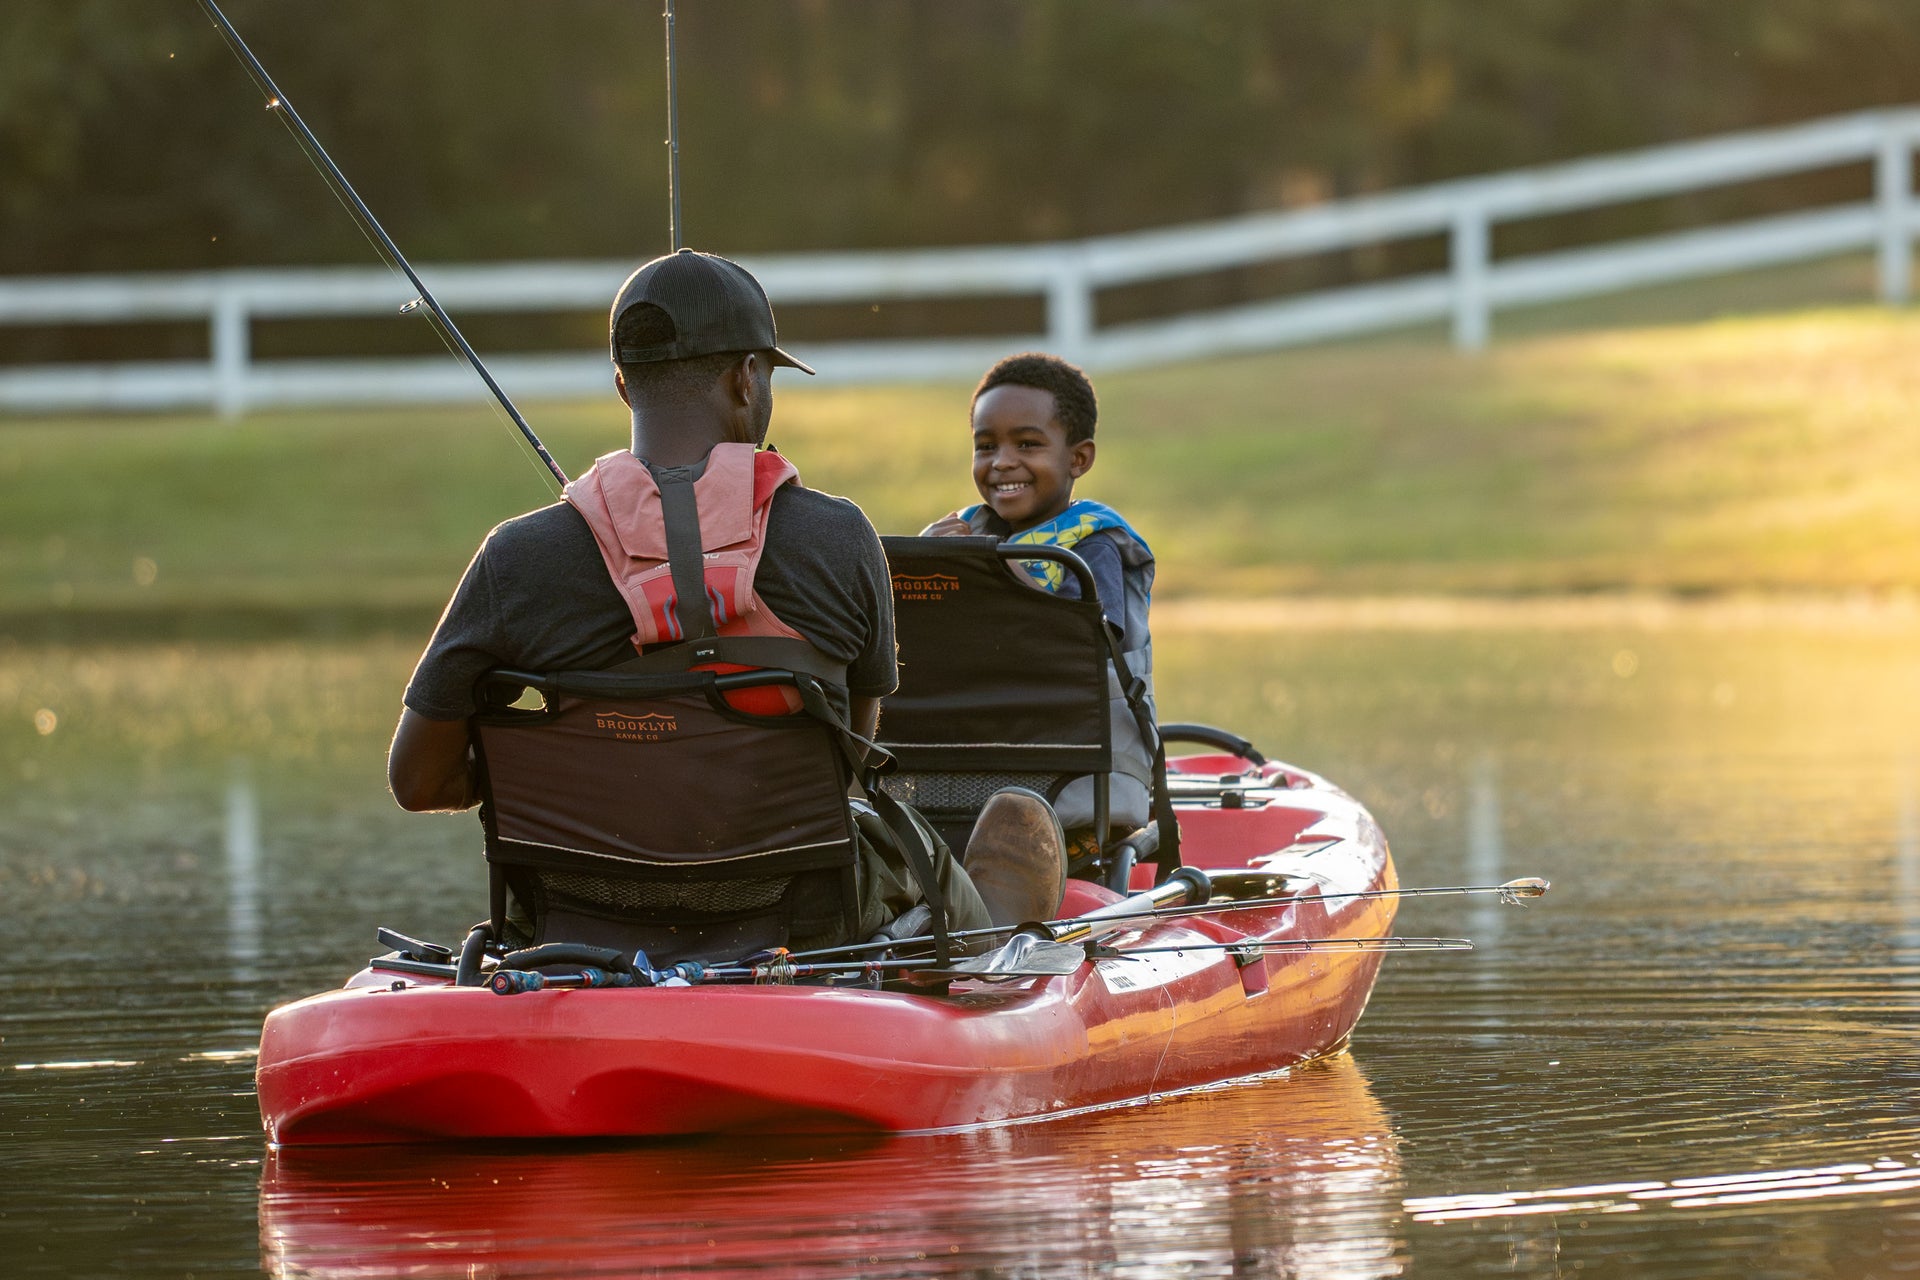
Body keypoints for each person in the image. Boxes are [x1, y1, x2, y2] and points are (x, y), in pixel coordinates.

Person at [386, 248, 1065, 948]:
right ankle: (988, 931)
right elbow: (851, 758)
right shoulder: (841, 536)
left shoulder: (515, 557)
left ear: (624, 386)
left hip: (577, 918)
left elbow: (418, 781)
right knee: (952, 830)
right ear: (746, 378)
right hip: (805, 918)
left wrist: (542, 772)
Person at [923, 352, 1158, 860]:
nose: (1002, 461)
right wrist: (933, 562)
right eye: (986, 446)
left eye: (1027, 444)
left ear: (1078, 459)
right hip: (968, 765)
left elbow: (1089, 649)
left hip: (1071, 776)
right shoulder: (964, 534)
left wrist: (1003, 577)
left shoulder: (1093, 546)